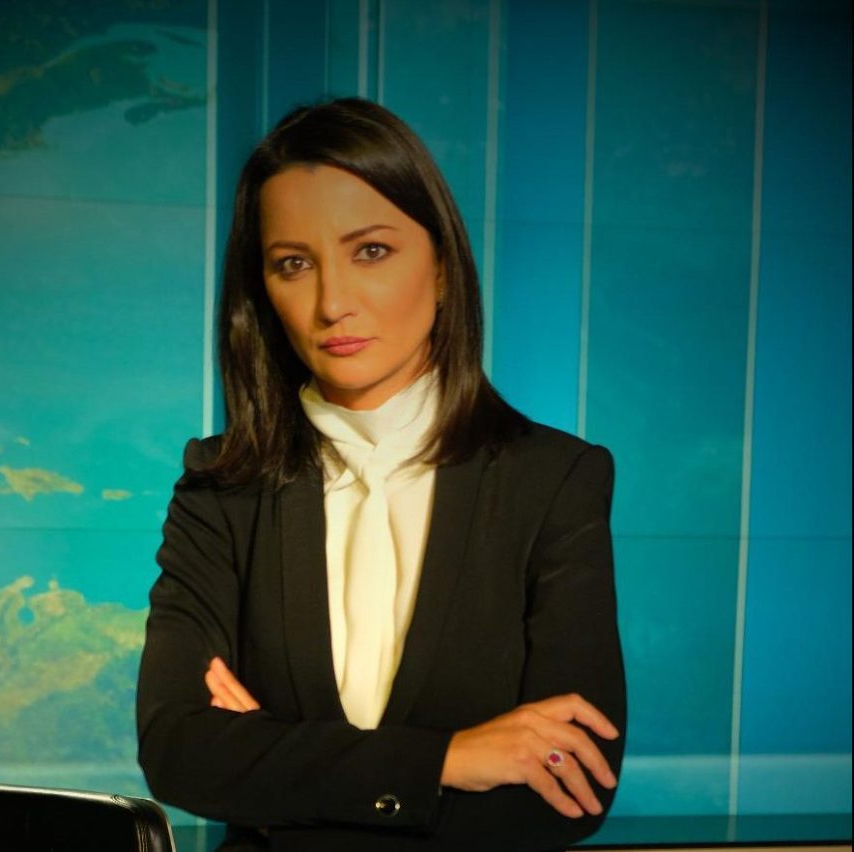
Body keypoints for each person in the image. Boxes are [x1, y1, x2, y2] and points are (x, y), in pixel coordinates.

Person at [137, 97, 626, 851]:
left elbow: (571, 782)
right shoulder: (219, 486)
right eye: (293, 264)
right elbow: (179, 751)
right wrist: (449, 760)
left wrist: (278, 775)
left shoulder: (554, 480)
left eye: (371, 251)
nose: (333, 303)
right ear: (262, 293)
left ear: (440, 267)